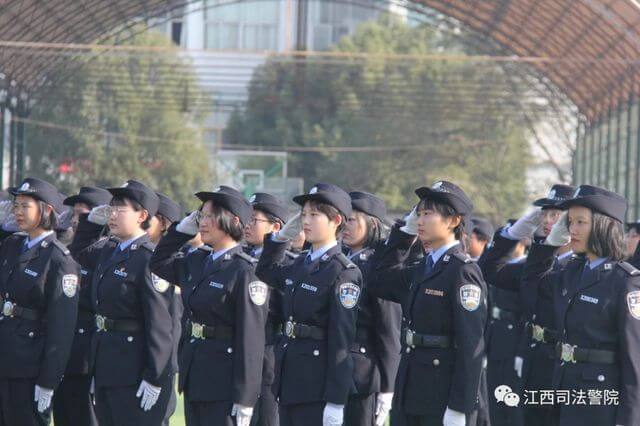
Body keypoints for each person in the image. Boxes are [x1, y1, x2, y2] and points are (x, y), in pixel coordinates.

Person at [368, 180, 487, 426]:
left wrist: (460, 407)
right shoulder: (423, 267)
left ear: (453, 220)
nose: (420, 221)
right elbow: (378, 281)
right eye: (418, 214)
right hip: (411, 385)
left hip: (442, 392)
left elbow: (471, 345)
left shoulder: (462, 271)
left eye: (427, 214)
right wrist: (404, 235)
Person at [523, 184, 640, 425]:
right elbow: (532, 283)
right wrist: (548, 245)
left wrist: (629, 420)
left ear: (603, 225)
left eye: (580, 222)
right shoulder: (571, 272)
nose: (572, 230)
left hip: (601, 402)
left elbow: (634, 361)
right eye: (570, 222)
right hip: (564, 391)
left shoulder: (625, 282)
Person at [150, 187, 268, 426]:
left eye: (210, 217)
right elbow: (158, 262)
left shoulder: (245, 271)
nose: (202, 223)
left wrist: (245, 398)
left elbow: (251, 338)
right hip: (195, 375)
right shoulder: (197, 261)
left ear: (234, 221)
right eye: (200, 216)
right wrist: (181, 231)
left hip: (224, 382)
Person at [255, 183, 363, 426]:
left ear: (336, 220)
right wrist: (280, 238)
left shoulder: (343, 271)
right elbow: (265, 270)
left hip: (317, 386)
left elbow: (341, 340)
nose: (306, 221)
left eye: (314, 214)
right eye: (303, 214)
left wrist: (336, 400)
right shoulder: (300, 263)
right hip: (289, 378)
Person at [89, 180, 174, 426]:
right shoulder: (109, 251)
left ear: (142, 216)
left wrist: (154, 376)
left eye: (120, 209)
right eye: (111, 208)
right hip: (105, 365)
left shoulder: (150, 259)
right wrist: (89, 224)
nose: (112, 215)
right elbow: (80, 252)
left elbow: (159, 325)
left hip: (133, 372)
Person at [0, 177, 80, 426]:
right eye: (16, 205)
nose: (18, 211)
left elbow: (61, 328)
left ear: (46, 210)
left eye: (25, 206)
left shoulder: (59, 260)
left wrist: (48, 381)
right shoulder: (12, 245)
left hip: (30, 366)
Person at [502, 184, 575, 426]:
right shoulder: (535, 264)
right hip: (535, 361)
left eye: (555, 215)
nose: (546, 220)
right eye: (544, 214)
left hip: (564, 367)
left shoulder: (579, 267)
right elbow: (490, 270)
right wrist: (512, 234)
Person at [52, 186, 112, 426]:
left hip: (89, 356)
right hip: (64, 353)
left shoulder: (108, 252)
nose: (76, 220)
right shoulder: (69, 250)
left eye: (83, 214)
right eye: (74, 214)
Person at [342, 191, 401, 426]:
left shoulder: (378, 266)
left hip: (363, 374)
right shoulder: (340, 259)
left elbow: (388, 329)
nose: (345, 226)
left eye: (352, 220)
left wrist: (388, 386)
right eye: (343, 219)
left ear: (373, 224)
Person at [244, 192, 295, 426]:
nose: (247, 224)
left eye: (254, 219)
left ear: (276, 227)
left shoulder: (286, 264)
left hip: (269, 358)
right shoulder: (238, 260)